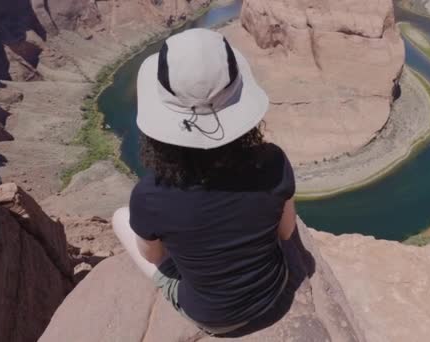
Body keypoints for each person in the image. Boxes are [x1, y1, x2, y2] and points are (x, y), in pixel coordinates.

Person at [112, 28, 297, 335]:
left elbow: (154, 256)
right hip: (274, 292)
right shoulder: (273, 162)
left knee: (120, 218)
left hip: (216, 319)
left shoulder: (150, 196)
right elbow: (287, 233)